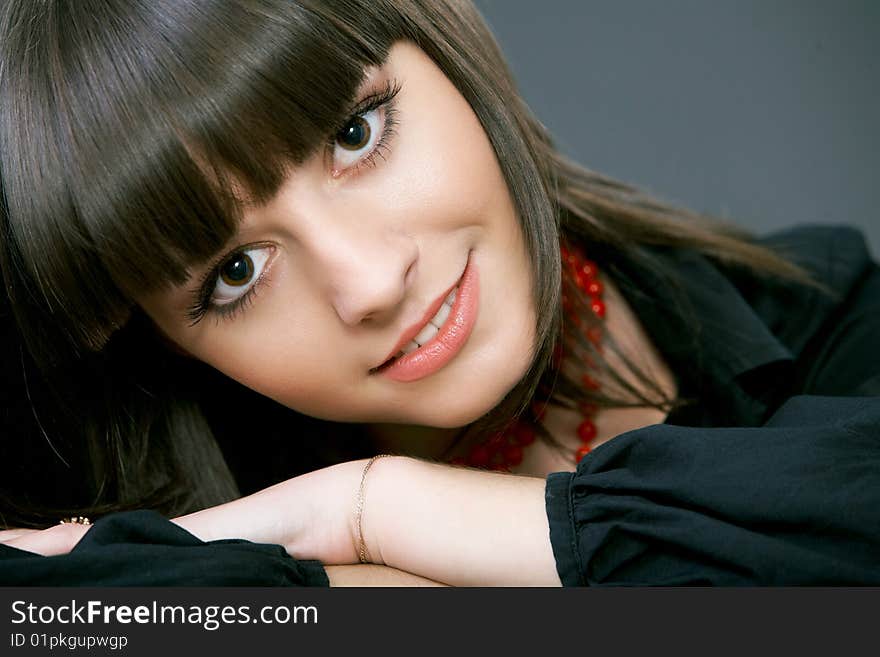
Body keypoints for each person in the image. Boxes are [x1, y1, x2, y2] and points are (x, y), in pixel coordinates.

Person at [0, 0, 877, 587]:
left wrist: (374, 511)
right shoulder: (167, 561)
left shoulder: (822, 314)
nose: (371, 283)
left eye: (356, 131)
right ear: (163, 341)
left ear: (446, 43)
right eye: (236, 271)